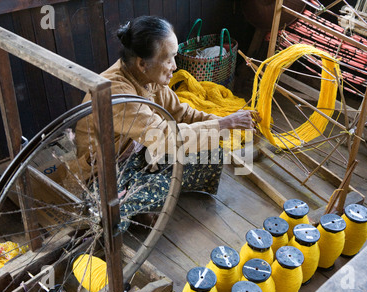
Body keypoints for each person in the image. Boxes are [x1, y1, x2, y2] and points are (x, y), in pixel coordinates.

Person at [71, 16, 257, 224]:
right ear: (143, 63)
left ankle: (142, 200)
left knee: (211, 151)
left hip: (136, 152)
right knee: (110, 213)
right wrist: (224, 124)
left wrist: (226, 121)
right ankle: (126, 207)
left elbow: (181, 114)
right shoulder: (117, 92)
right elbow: (162, 136)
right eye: (169, 59)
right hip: (105, 171)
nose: (175, 66)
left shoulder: (148, 77)